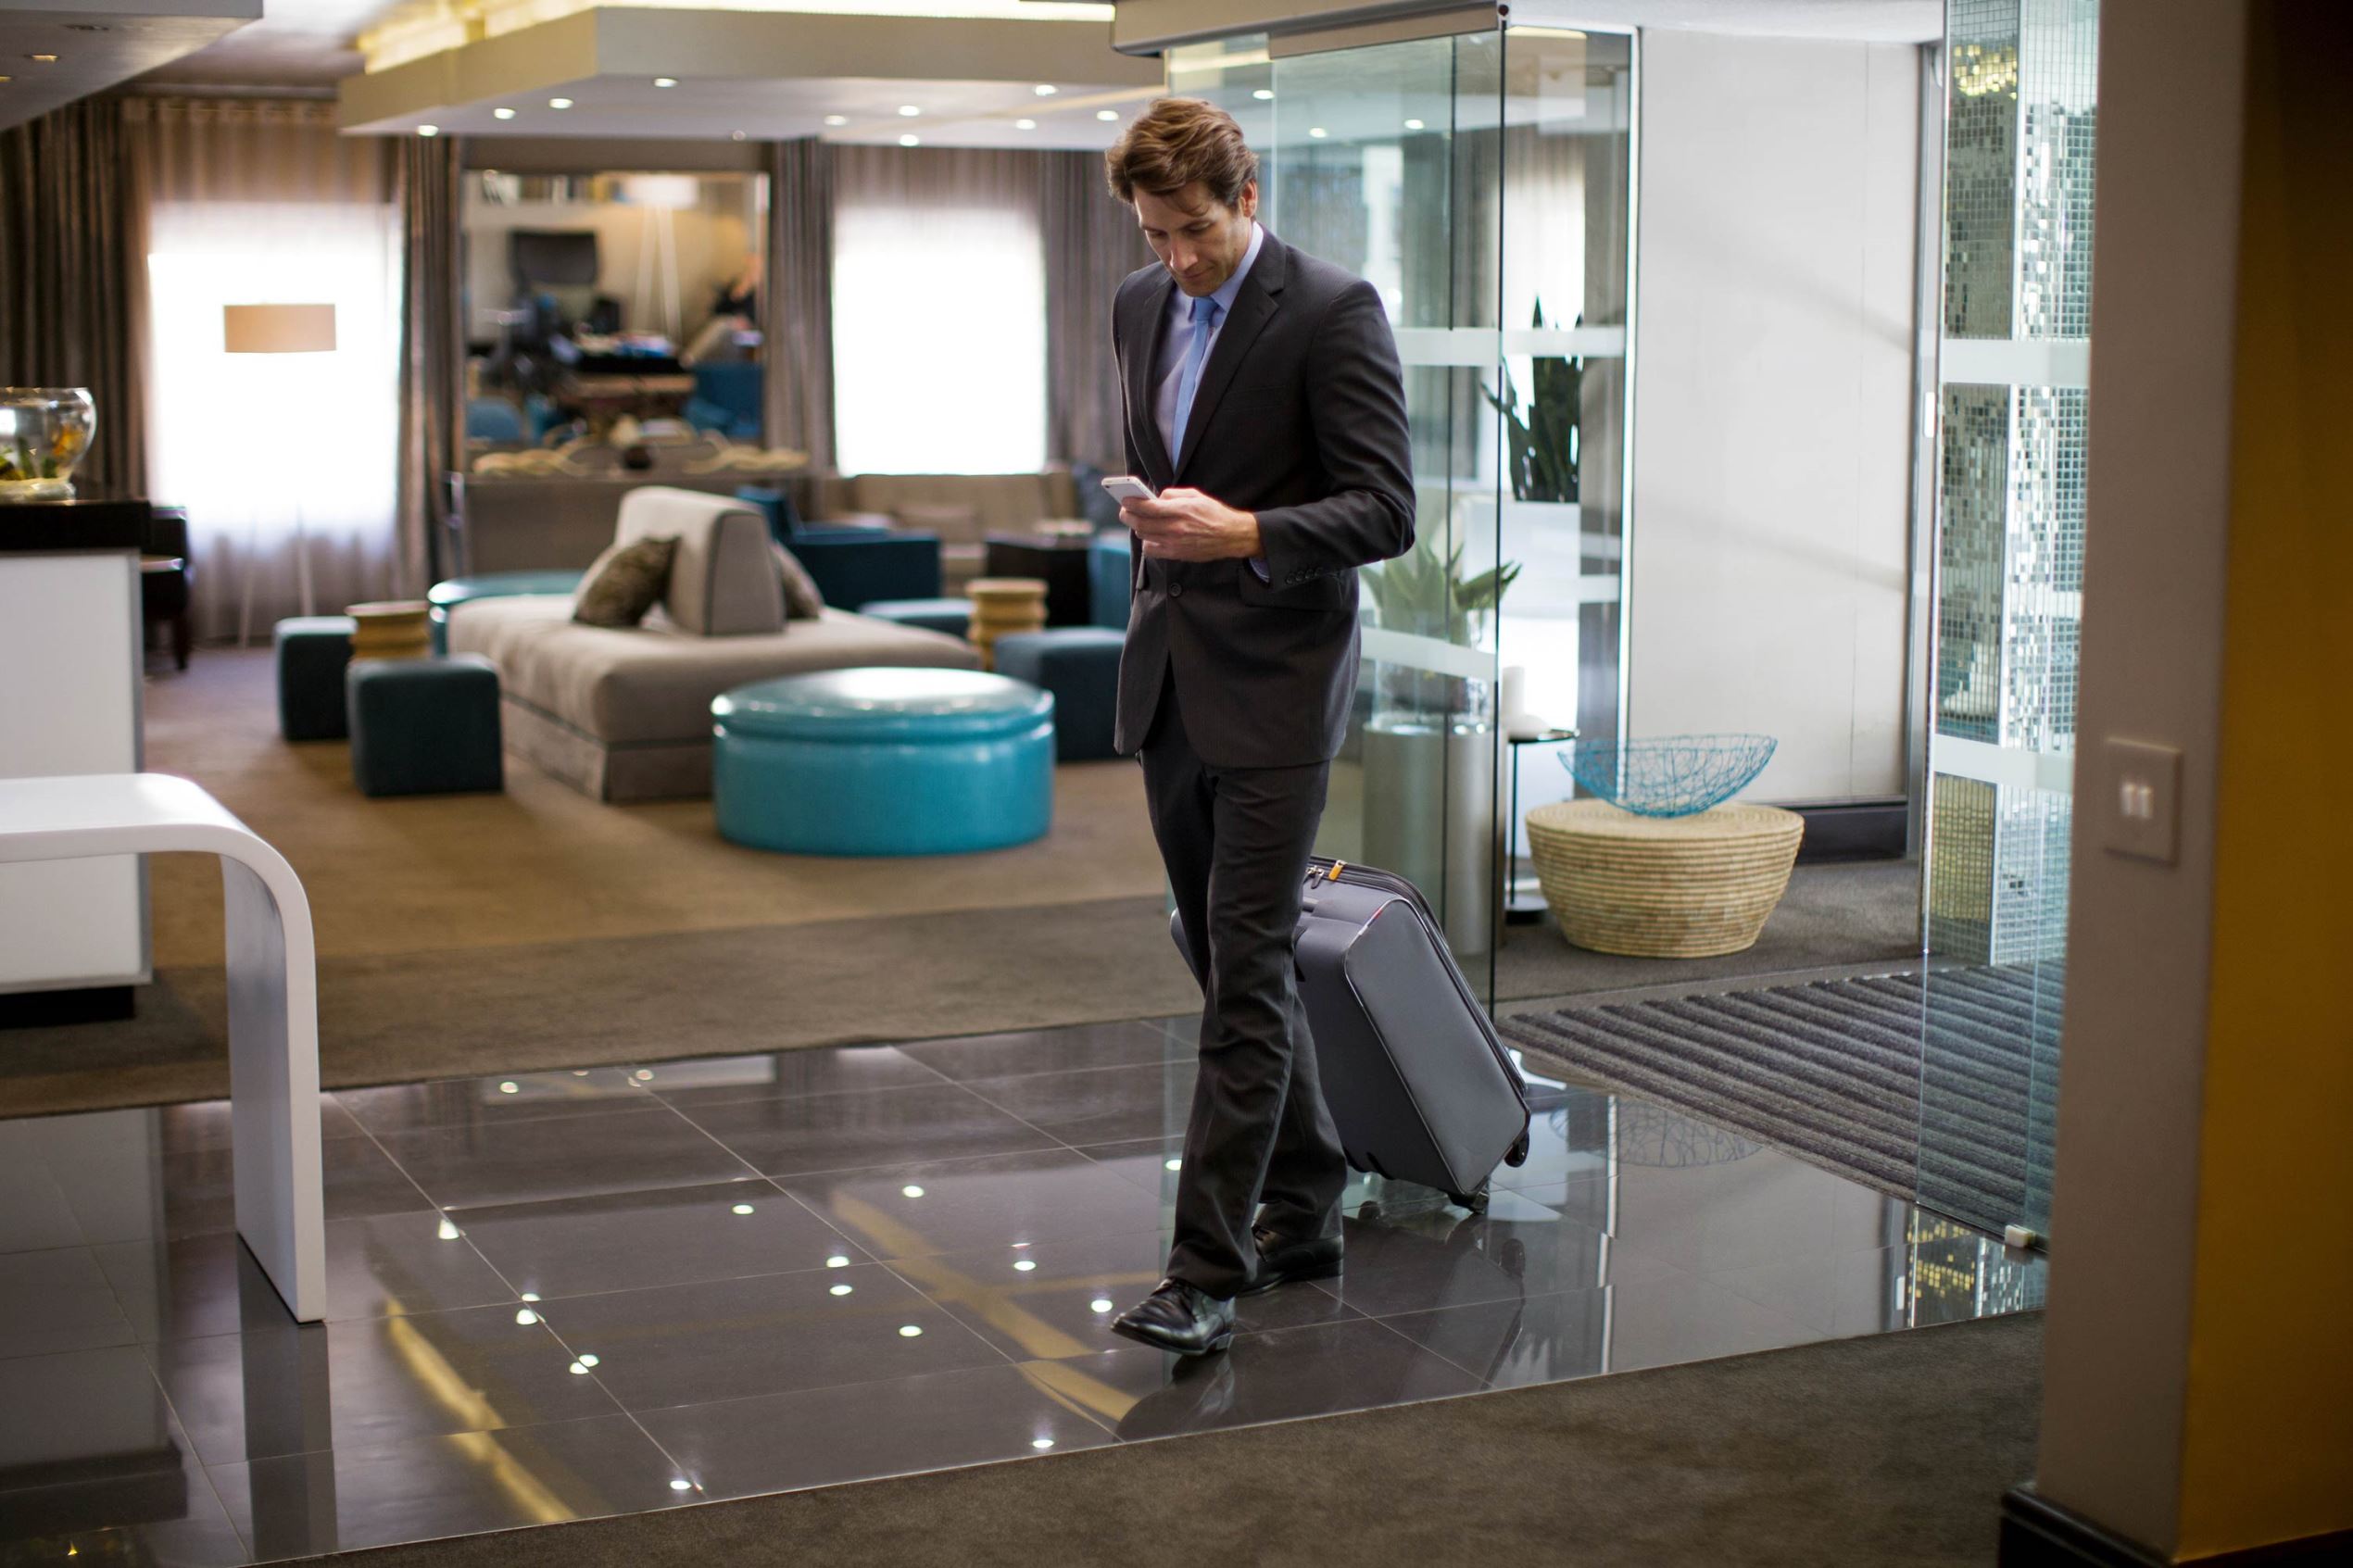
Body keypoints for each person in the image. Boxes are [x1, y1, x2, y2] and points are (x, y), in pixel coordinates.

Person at [1101, 98, 1416, 1356]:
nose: (1175, 256)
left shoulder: (1334, 310)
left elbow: (1386, 509)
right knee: (1228, 952)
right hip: (1170, 674)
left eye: (1193, 231)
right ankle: (1309, 1193)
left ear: (1248, 198)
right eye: (1154, 231)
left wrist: (1247, 532)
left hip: (1282, 684)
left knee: (1243, 971)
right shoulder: (1135, 304)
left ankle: (1204, 1269)